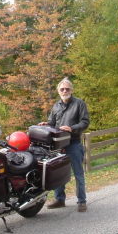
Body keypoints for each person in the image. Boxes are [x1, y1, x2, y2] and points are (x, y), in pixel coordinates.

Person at [39, 77, 90, 212]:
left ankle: (82, 202)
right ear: (58, 91)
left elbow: (85, 122)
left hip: (73, 143)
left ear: (71, 90)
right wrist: (47, 124)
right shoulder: (56, 106)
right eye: (62, 89)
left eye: (67, 88)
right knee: (57, 173)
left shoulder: (79, 104)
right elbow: (52, 122)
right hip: (58, 145)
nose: (65, 91)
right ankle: (59, 200)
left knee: (78, 174)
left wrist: (72, 128)